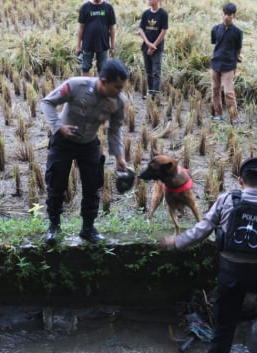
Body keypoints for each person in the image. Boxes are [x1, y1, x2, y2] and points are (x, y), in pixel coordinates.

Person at [161, 157, 257, 353]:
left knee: (223, 328)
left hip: (230, 273)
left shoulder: (225, 200)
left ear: (240, 181)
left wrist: (176, 241)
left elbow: (202, 230)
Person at [40, 59, 129, 244]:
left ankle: (88, 228)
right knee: (56, 184)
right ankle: (54, 226)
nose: (120, 91)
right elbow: (47, 102)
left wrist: (119, 157)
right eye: (117, 87)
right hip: (63, 141)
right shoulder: (76, 85)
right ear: (103, 81)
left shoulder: (118, 101)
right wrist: (59, 127)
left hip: (88, 143)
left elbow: (114, 130)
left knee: (93, 186)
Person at [210, 3, 244, 125]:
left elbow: (238, 48)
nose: (226, 17)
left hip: (229, 65)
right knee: (215, 89)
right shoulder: (215, 29)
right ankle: (218, 114)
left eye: (229, 14)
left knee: (228, 92)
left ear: (233, 16)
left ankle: (234, 117)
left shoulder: (237, 32)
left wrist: (238, 57)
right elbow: (216, 44)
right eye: (225, 14)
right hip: (215, 63)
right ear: (222, 14)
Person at [76, 0, 117, 76]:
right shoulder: (85, 7)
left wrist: (113, 47)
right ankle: (85, 86)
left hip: (103, 44)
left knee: (103, 68)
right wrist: (78, 46)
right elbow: (81, 28)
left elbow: (112, 28)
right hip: (87, 43)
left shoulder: (108, 7)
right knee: (85, 67)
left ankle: (100, 87)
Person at [139, 0, 169, 100]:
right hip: (146, 46)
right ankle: (150, 91)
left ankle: (155, 94)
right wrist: (148, 43)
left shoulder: (163, 14)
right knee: (148, 71)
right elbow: (141, 29)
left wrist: (153, 46)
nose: (149, 0)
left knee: (156, 71)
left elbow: (163, 31)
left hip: (157, 48)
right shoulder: (145, 13)